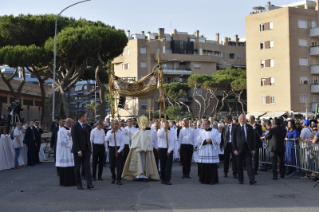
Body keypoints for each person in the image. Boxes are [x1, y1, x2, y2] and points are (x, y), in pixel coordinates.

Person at [122, 115, 160, 181]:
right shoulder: (136, 131)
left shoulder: (148, 132)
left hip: (145, 150)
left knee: (145, 161)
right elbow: (134, 140)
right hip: (138, 150)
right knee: (138, 161)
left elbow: (150, 140)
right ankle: (138, 174)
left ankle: (144, 174)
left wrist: (147, 147)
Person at [71, 112, 94, 190]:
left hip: (86, 150)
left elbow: (88, 139)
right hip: (78, 151)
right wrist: (78, 151)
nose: (86, 118)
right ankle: (79, 184)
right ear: (81, 117)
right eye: (85, 116)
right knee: (77, 168)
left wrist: (90, 149)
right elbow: (75, 139)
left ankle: (89, 183)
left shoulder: (86, 127)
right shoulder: (75, 127)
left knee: (87, 167)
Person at [232, 114, 257, 185]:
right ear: (239, 119)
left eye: (244, 119)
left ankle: (252, 179)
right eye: (241, 119)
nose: (243, 120)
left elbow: (253, 139)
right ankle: (241, 179)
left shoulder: (249, 127)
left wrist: (253, 149)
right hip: (239, 148)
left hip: (247, 148)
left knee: (249, 163)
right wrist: (234, 149)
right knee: (239, 164)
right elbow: (233, 139)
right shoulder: (235, 127)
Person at [197, 120, 221, 184]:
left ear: (208, 124)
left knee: (212, 166)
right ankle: (203, 180)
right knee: (203, 166)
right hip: (203, 151)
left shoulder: (215, 131)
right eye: (203, 124)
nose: (203, 125)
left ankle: (212, 180)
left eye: (204, 124)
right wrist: (205, 141)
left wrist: (211, 141)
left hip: (212, 151)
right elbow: (197, 140)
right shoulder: (200, 132)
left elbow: (218, 139)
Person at [56, 118, 76, 186]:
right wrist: (68, 136)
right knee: (65, 167)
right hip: (64, 151)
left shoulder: (70, 129)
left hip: (70, 151)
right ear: (68, 123)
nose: (73, 124)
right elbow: (61, 141)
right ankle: (65, 182)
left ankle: (71, 181)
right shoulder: (61, 130)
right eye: (72, 123)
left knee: (71, 166)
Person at [105, 120, 124, 185]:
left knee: (119, 165)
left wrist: (118, 151)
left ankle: (119, 179)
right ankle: (113, 176)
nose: (116, 125)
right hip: (112, 148)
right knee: (112, 165)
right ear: (111, 125)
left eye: (117, 124)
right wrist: (112, 133)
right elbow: (106, 139)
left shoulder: (121, 133)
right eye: (114, 124)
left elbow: (122, 143)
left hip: (119, 148)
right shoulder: (109, 132)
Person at [157, 121, 175, 185]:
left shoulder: (171, 133)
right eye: (165, 125)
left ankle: (168, 179)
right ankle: (163, 178)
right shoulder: (160, 131)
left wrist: (169, 151)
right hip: (162, 149)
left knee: (169, 165)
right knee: (163, 165)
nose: (167, 126)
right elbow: (160, 135)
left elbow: (172, 142)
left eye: (167, 125)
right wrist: (164, 129)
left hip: (168, 150)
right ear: (162, 125)